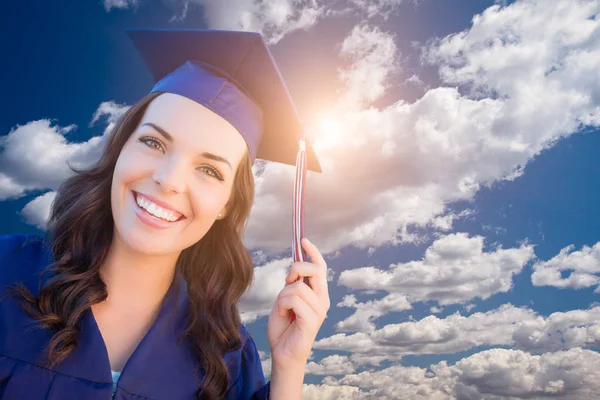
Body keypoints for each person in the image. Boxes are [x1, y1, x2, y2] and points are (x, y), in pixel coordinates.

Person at [0, 29, 330, 400]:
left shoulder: (228, 357)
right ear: (120, 148)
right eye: (154, 142)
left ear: (226, 204)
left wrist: (289, 366)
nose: (169, 180)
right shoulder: (6, 272)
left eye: (210, 170)